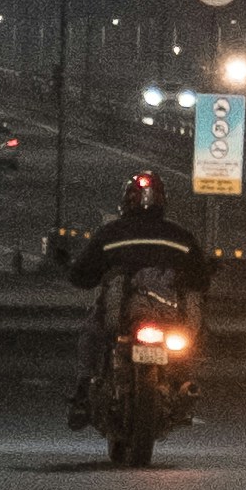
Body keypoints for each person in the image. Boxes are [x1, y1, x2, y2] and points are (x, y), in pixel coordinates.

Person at [63, 162, 212, 421]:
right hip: (170, 319)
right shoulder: (180, 236)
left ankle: (83, 392)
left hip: (121, 320)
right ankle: (184, 384)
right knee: (195, 342)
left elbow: (83, 276)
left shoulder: (111, 234)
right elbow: (200, 278)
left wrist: (70, 268)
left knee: (90, 335)